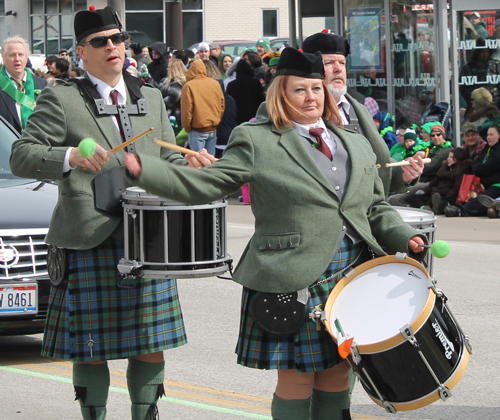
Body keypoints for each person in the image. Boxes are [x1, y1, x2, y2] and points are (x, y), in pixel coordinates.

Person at [124, 47, 426, 420]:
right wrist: (147, 171)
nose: (311, 97)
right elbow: (206, 185)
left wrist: (403, 236)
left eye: (316, 89)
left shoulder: (354, 142)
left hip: (352, 276)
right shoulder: (257, 139)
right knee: (298, 378)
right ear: (281, 93)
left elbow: (374, 208)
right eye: (299, 90)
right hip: (291, 274)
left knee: (336, 374)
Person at [9, 6, 213, 420]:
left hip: (150, 236)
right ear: (81, 52)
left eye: (118, 39)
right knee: (89, 345)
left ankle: (146, 413)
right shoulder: (62, 98)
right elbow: (21, 156)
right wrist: (68, 156)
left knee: (150, 340)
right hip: (91, 235)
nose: (112, 47)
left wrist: (188, 165)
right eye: (100, 42)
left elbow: (163, 162)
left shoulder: (151, 96)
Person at [301, 32, 424, 197]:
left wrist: (403, 174)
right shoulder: (295, 110)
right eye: (329, 63)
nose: (338, 69)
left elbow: (377, 163)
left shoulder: (359, 108)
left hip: (364, 211)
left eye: (342, 63)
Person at [446, 124, 500, 217]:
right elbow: (476, 165)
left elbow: (489, 166)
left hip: (496, 185)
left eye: (492, 135)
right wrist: (479, 168)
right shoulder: (487, 148)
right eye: (488, 135)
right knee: (463, 191)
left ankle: (461, 211)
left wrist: (479, 168)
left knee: (483, 198)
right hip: (481, 183)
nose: (489, 137)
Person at [0, 35, 47, 133]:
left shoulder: (41, 83)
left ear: (26, 58)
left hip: (37, 143)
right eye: (12, 55)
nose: (17, 59)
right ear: (4, 59)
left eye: (21, 55)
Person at [405, 148, 473, 214]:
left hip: (446, 195)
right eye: (448, 156)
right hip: (435, 193)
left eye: (451, 157)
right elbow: (433, 183)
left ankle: (432, 208)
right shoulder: (444, 168)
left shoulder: (462, 171)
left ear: (458, 158)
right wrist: (424, 191)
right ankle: (424, 208)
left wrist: (448, 197)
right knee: (412, 198)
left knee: (436, 200)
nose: (448, 159)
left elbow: (456, 187)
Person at [181, 59, 225, 155]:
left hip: (197, 128)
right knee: (210, 161)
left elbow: (187, 110)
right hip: (213, 127)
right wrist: (217, 119)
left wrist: (187, 127)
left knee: (198, 162)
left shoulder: (189, 86)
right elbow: (221, 105)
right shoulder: (215, 83)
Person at [227, 58, 265, 125]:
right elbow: (261, 99)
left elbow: (229, 103)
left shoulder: (231, 85)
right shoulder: (255, 83)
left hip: (237, 118)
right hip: (254, 117)